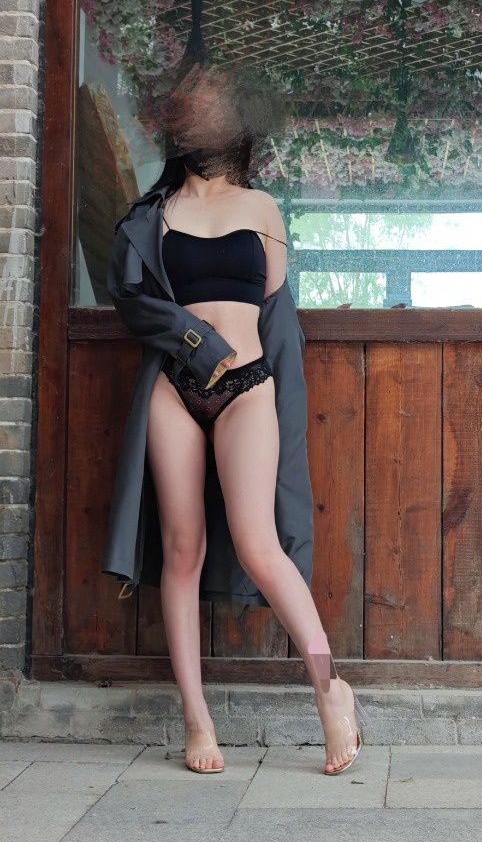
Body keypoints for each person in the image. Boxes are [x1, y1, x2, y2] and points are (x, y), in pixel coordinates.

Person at [126, 64, 366, 775]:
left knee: (261, 547)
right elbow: (138, 301)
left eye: (215, 105)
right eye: (192, 105)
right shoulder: (153, 212)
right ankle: (197, 723)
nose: (201, 113)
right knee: (182, 551)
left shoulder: (261, 206)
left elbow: (271, 303)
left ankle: (329, 688)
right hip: (174, 386)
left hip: (246, 386)